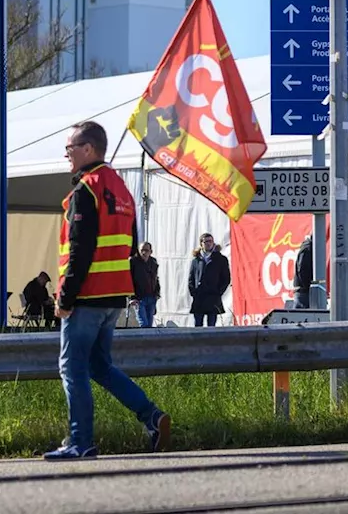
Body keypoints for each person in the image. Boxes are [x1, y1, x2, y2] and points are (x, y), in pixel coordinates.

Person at [44, 121, 171, 460]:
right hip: (114, 298)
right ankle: (152, 417)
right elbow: (130, 246)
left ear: (88, 149)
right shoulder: (123, 190)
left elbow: (80, 250)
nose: (67, 154)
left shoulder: (86, 190)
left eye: (70, 148)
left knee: (72, 369)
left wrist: (64, 298)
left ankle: (80, 442)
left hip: (86, 297)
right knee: (100, 367)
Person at [187, 233, 230, 327]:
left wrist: (218, 292)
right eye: (206, 241)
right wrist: (194, 292)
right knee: (198, 325)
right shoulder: (196, 260)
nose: (208, 244)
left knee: (211, 326)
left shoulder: (221, 259)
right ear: (201, 244)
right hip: (199, 298)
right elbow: (191, 279)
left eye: (210, 241)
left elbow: (226, 278)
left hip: (213, 297)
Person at [130, 243, 161, 328]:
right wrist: (132, 297)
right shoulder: (133, 262)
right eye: (142, 250)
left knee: (149, 323)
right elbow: (129, 280)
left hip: (151, 296)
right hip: (139, 298)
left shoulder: (153, 262)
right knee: (143, 323)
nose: (144, 253)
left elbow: (156, 278)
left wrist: (157, 293)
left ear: (151, 251)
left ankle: (149, 341)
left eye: (146, 250)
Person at [294, 231, 314, 309]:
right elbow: (302, 269)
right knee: (302, 316)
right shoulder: (307, 248)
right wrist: (307, 285)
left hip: (304, 290)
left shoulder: (307, 247)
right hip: (304, 291)